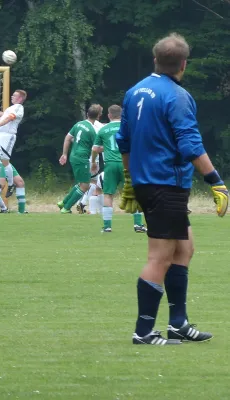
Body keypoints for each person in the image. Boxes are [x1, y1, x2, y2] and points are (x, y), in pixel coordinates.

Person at [115, 33, 229, 345]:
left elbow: (123, 140)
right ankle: (143, 331)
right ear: (183, 64)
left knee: (184, 248)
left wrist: (129, 179)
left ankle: (178, 323)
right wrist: (215, 180)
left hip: (150, 182)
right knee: (160, 256)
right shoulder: (177, 97)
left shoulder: (134, 91)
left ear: (155, 60)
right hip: (166, 183)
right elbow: (190, 144)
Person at [91, 105, 146, 233]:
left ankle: (107, 226)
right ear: (122, 115)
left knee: (108, 194)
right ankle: (138, 225)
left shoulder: (104, 129)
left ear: (109, 115)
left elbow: (95, 149)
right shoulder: (129, 128)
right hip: (126, 163)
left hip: (110, 164)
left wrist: (94, 161)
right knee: (134, 193)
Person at [58, 104, 100, 214]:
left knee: (81, 183)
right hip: (82, 158)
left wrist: (64, 154)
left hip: (73, 156)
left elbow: (68, 138)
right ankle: (66, 208)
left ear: (87, 114)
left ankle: (63, 202)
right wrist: (94, 161)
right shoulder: (92, 131)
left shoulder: (78, 124)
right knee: (85, 185)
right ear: (98, 116)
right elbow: (95, 149)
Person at [0, 90, 27, 197]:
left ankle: (11, 184)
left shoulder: (18, 107)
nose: (12, 96)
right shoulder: (10, 108)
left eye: (15, 95)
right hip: (0, 134)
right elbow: (0, 118)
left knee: (4, 161)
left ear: (20, 98)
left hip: (8, 136)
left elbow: (9, 118)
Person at [77, 107, 105, 214]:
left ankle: (85, 206)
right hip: (94, 157)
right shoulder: (98, 126)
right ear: (98, 115)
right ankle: (83, 204)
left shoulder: (81, 124)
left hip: (81, 156)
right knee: (95, 183)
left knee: (89, 182)